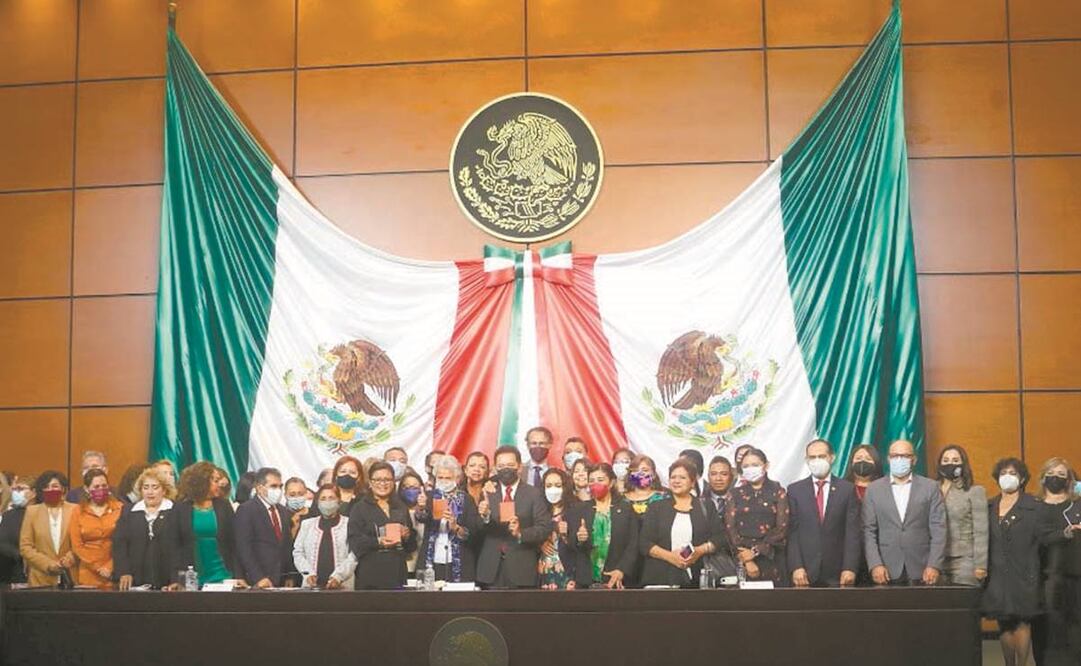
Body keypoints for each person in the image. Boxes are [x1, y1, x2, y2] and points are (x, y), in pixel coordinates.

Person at [982, 458, 1042, 666]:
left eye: (1013, 473)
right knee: (1004, 623)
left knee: (1022, 622)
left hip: (1024, 571)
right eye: (1003, 473)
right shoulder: (989, 506)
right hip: (997, 572)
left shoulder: (1033, 506)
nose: (1008, 476)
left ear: (1022, 478)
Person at [862, 439, 947, 586]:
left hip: (922, 569)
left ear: (913, 460)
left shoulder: (930, 487)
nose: (899, 459)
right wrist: (875, 564)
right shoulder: (873, 489)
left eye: (905, 456)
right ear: (888, 459)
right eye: (895, 456)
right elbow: (868, 531)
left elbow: (939, 529)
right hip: (885, 569)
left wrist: (934, 565)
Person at [786, 439, 861, 587]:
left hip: (838, 573)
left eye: (821, 456)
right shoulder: (795, 490)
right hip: (804, 573)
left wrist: (850, 568)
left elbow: (852, 533)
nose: (817, 461)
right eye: (812, 457)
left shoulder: (847, 490)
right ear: (806, 460)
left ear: (832, 457)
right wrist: (796, 567)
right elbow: (791, 533)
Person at [476, 445, 552, 588]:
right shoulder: (488, 492)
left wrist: (520, 533)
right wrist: (485, 516)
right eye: (501, 465)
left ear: (519, 467)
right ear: (495, 468)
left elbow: (544, 527)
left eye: (510, 465)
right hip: (491, 569)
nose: (506, 469)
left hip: (522, 568)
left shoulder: (534, 494)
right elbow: (477, 529)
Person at [640, 459, 724, 588]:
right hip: (660, 579)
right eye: (673, 477)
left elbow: (719, 538)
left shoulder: (706, 506)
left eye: (682, 477)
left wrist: (699, 551)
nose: (676, 481)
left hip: (697, 579)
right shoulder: (656, 507)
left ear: (692, 482)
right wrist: (670, 557)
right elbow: (644, 542)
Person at [1033, 458, 1081, 666]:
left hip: (1075, 576)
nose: (1056, 478)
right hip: (1042, 578)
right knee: (1046, 631)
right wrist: (1063, 534)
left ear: (1070, 480)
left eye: (1062, 474)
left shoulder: (1077, 504)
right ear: (1043, 477)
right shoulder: (1032, 507)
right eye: (1052, 473)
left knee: (1075, 631)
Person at [725, 448, 790, 585]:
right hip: (742, 559)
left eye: (755, 465)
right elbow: (730, 528)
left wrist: (755, 551)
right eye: (746, 466)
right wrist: (747, 559)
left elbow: (781, 529)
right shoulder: (734, 493)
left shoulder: (778, 492)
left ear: (766, 465)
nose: (750, 469)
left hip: (772, 558)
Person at [347, 462, 416, 589]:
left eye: (387, 479)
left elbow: (411, 546)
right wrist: (379, 542)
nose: (383, 483)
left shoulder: (400, 506)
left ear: (393, 482)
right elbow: (354, 542)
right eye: (378, 480)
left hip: (398, 573)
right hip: (371, 574)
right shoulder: (360, 508)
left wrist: (407, 536)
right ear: (370, 483)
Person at [569, 463, 638, 589]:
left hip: (617, 580)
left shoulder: (625, 509)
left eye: (600, 480)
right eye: (592, 481)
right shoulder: (579, 509)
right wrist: (580, 539)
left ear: (611, 483)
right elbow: (572, 544)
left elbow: (634, 544)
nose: (595, 484)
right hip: (586, 581)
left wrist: (622, 570)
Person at [415, 455, 480, 583]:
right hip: (432, 557)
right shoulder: (429, 496)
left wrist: (456, 527)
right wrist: (421, 507)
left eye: (448, 478)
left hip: (459, 559)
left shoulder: (466, 499)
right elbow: (422, 518)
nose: (444, 481)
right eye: (440, 477)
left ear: (456, 478)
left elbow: (473, 531)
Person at [113, 468, 179, 590]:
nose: (150, 492)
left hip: (168, 580)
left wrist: (177, 579)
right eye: (146, 487)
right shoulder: (128, 511)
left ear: (164, 490)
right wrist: (124, 572)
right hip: (136, 580)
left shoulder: (176, 511)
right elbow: (120, 544)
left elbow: (181, 547)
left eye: (155, 487)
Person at [175, 462, 237, 586]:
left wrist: (238, 574)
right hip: (192, 576)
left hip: (223, 574)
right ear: (202, 482)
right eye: (215, 480)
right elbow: (174, 545)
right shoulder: (181, 508)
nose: (219, 484)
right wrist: (175, 578)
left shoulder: (223, 505)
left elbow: (233, 542)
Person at [937, 445, 989, 586]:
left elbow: (981, 531)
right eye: (946, 460)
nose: (950, 464)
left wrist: (981, 565)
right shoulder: (931, 489)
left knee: (963, 603)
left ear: (963, 464)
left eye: (955, 460)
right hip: (936, 560)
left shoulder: (974, 491)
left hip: (965, 560)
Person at [234, 467, 294, 589]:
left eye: (280, 486)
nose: (278, 490)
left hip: (282, 580)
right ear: (260, 488)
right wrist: (259, 577)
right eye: (273, 486)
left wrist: (290, 575)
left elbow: (286, 546)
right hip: (257, 581)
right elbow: (244, 547)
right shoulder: (247, 510)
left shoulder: (283, 511)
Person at [19, 471, 77, 587]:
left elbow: (81, 541)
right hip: (40, 579)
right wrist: (48, 564)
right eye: (46, 487)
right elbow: (25, 546)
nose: (50, 490)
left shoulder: (75, 510)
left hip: (70, 576)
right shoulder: (32, 512)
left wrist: (70, 558)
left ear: (63, 489)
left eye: (55, 486)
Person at [293, 485, 356, 589]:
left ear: (339, 501)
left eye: (331, 498)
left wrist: (338, 577)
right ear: (317, 503)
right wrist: (308, 574)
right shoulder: (307, 524)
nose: (327, 502)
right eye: (323, 498)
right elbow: (298, 552)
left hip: (343, 587)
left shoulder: (349, 524)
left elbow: (354, 554)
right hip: (312, 586)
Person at [69, 468, 123, 589]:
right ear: (87, 489)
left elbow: (124, 542)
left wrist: (110, 567)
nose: (101, 489)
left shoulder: (120, 509)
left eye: (104, 486)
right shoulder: (78, 511)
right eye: (96, 486)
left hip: (114, 572)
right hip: (87, 574)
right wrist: (97, 567)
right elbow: (77, 546)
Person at [537, 469, 577, 589]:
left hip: (568, 569)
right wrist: (540, 544)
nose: (553, 489)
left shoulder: (576, 508)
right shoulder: (540, 510)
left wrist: (566, 535)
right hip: (544, 569)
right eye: (548, 486)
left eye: (558, 485)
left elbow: (582, 543)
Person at [0, 475, 34, 584]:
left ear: (34, 492)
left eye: (20, 489)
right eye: (14, 489)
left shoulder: (38, 514)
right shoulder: (9, 515)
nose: (16, 493)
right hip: (10, 573)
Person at [397, 470, 427, 578]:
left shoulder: (428, 511)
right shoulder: (395, 511)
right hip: (405, 564)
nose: (411, 491)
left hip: (424, 564)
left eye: (415, 487)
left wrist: (422, 508)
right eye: (406, 487)